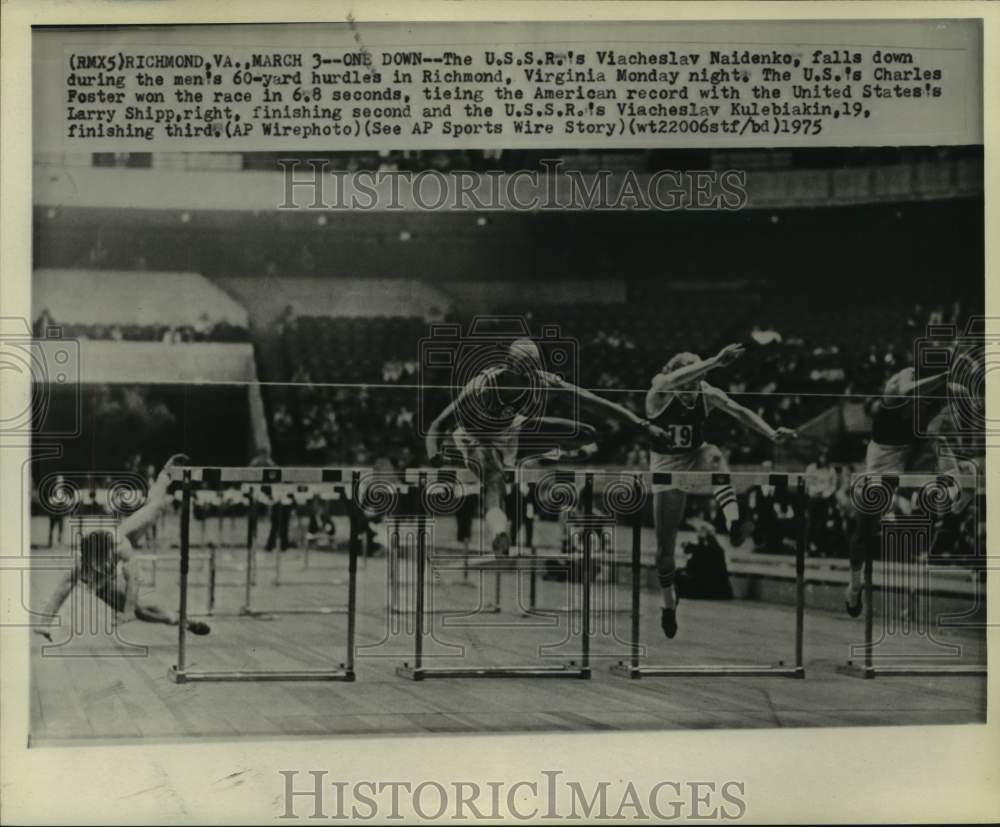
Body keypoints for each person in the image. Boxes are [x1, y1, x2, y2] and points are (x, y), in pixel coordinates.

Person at [425, 338, 671, 556]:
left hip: (512, 430)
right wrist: (433, 453)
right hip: (476, 438)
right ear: (509, 367)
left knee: (585, 433)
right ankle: (499, 532)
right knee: (494, 478)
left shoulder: (540, 380)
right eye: (523, 377)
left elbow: (592, 401)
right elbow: (437, 424)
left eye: (531, 375)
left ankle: (549, 455)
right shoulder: (481, 387)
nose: (528, 382)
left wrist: (643, 425)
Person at [647, 346, 797, 638]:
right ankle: (668, 603)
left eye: (696, 385)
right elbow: (675, 379)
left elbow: (739, 411)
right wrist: (715, 361)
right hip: (666, 468)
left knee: (715, 454)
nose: (691, 392)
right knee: (665, 550)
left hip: (696, 456)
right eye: (686, 385)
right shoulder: (661, 388)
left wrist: (769, 432)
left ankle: (733, 520)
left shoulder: (706, 392)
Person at [33, 454, 210, 642]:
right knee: (141, 610)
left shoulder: (119, 544)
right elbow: (60, 592)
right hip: (100, 581)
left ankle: (165, 473)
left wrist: (128, 611)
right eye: (100, 562)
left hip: (120, 537)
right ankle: (181, 621)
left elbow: (133, 578)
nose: (105, 563)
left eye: (106, 560)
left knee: (156, 507)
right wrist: (44, 624)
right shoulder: (79, 565)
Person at [845, 363, 973, 617]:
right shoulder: (900, 382)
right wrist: (945, 376)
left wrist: (966, 436)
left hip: (916, 450)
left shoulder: (948, 389)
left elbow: (966, 400)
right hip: (885, 457)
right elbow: (907, 390)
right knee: (865, 527)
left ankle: (958, 491)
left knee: (938, 441)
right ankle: (855, 583)